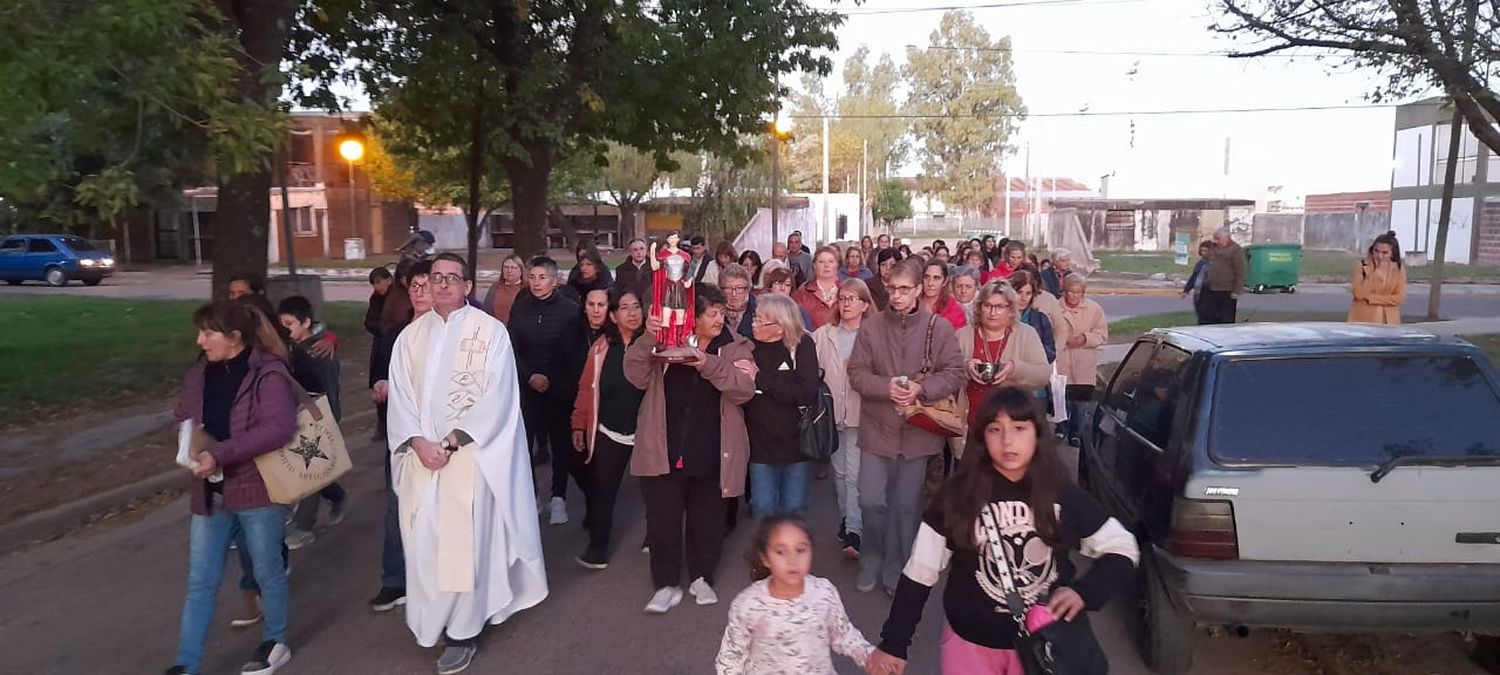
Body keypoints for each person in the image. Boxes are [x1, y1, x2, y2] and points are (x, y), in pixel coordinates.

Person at [867, 388, 1139, 675]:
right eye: (995, 429)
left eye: (1019, 428)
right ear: (982, 437)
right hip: (971, 645)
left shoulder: (1060, 493)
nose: (1008, 441)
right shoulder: (957, 496)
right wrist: (894, 643)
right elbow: (919, 572)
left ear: (1037, 433)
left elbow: (1122, 546)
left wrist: (1086, 592)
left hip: (1045, 647)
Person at [386, 253, 548, 674]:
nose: (441, 285)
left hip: (469, 460)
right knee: (424, 543)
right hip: (423, 460)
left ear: (468, 286)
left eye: (451, 278)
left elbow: (500, 396)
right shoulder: (410, 336)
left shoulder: (490, 332)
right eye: (435, 278)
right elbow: (400, 398)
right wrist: (419, 443)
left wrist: (455, 439)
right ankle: (431, 620)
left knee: (464, 548)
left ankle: (462, 630)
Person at [167, 300, 297, 675]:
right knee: (200, 580)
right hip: (209, 494)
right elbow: (181, 419)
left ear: (235, 338)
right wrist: (188, 443)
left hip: (257, 489)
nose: (200, 340)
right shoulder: (199, 375)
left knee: (266, 570)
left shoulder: (268, 375)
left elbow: (277, 429)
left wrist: (219, 454)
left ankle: (275, 641)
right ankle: (185, 663)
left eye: (208, 333)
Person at [625, 284, 755, 614]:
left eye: (721, 313)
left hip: (712, 451)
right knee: (662, 522)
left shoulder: (736, 346)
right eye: (712, 314)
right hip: (663, 449)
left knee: (707, 521)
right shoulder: (668, 345)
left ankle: (701, 576)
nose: (719, 319)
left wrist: (705, 363)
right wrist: (648, 338)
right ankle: (665, 583)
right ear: (692, 318)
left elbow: (744, 390)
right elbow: (634, 375)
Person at [847, 258, 966, 595]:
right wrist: (886, 387)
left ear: (918, 290)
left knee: (905, 507)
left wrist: (921, 389)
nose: (896, 295)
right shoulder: (871, 327)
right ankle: (871, 558)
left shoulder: (938, 328)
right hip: (877, 430)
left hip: (918, 432)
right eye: (892, 288)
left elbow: (955, 372)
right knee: (870, 501)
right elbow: (856, 374)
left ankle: (896, 567)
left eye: (904, 289)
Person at [715, 516, 875, 675]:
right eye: (781, 552)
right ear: (765, 558)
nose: (793, 560)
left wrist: (871, 657)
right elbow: (731, 656)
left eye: (800, 550)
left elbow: (844, 634)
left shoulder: (823, 592)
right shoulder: (748, 604)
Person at [367, 261, 433, 615]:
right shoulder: (395, 335)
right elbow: (378, 374)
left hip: (438, 435)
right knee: (397, 504)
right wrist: (380, 385)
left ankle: (436, 578)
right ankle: (395, 579)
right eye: (415, 285)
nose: (421, 291)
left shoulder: (448, 333)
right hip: (402, 434)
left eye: (428, 283)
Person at [570, 288, 648, 569]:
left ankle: (655, 537)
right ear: (613, 316)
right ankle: (597, 549)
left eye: (636, 306)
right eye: (624, 308)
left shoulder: (653, 345)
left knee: (655, 491)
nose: (632, 312)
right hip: (608, 431)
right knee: (603, 491)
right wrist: (579, 425)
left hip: (646, 432)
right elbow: (586, 386)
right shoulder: (602, 347)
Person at [511, 256, 588, 525]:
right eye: (532, 277)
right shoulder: (520, 309)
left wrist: (550, 378)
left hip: (559, 388)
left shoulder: (569, 310)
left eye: (542, 277)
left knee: (560, 444)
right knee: (524, 443)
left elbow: (575, 355)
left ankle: (559, 497)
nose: (536, 283)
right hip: (527, 387)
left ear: (555, 281)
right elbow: (512, 347)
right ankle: (532, 495)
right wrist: (530, 376)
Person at [275, 296, 347, 550]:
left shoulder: (320, 350)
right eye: (281, 323)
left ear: (306, 322)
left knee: (309, 472)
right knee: (313, 470)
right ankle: (337, 496)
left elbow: (330, 388)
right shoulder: (293, 348)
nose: (285, 329)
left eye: (289, 323)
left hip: (317, 418)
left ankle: (304, 528)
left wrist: (329, 420)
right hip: (299, 416)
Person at [739, 294, 820, 518]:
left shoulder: (802, 346)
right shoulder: (748, 347)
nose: (753, 324)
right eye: (754, 318)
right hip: (760, 446)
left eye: (760, 320)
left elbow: (805, 392)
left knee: (794, 511)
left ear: (780, 327)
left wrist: (760, 378)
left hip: (796, 445)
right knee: (763, 509)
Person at [813, 278, 874, 558]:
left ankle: (854, 531)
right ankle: (846, 518)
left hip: (862, 415)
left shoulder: (873, 335)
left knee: (854, 474)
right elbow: (811, 368)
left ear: (864, 304)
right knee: (839, 474)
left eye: (853, 299)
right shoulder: (824, 334)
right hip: (832, 415)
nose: (847, 304)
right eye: (843, 298)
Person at [955, 282, 1051, 435]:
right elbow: (946, 372)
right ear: (979, 307)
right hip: (970, 427)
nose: (993, 312)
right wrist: (965, 367)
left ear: (1011, 310)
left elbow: (1044, 374)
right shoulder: (962, 335)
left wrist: (1014, 369)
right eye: (987, 305)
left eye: (1000, 307)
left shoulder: (1026, 334)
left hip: (1011, 430)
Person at [1054, 276, 1108, 442]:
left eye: (1078, 292)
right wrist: (1063, 340)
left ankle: (1076, 433)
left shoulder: (1094, 309)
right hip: (1062, 358)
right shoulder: (1054, 307)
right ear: (1065, 290)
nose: (1074, 296)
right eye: (1071, 291)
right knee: (1061, 398)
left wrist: (1085, 339)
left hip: (1085, 361)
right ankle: (1061, 428)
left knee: (1081, 401)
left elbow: (1102, 335)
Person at [1349, 231, 1407, 325]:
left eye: (1385, 253)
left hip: (1389, 321)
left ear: (1392, 254)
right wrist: (1374, 275)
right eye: (1376, 251)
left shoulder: (1398, 269)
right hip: (1363, 319)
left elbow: (1399, 298)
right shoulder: (1362, 266)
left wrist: (1371, 298)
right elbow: (1358, 294)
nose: (1379, 256)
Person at [651, 232, 697, 349]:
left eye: (674, 238)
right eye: (670, 238)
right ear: (667, 240)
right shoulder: (664, 255)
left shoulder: (685, 256)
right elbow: (655, 267)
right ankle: (665, 340)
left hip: (680, 287)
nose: (673, 240)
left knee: (680, 315)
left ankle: (679, 339)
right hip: (669, 286)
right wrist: (652, 252)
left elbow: (690, 270)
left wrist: (689, 280)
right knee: (666, 314)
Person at [1009, 270, 1056, 363]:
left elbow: (1051, 354)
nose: (1023, 298)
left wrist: (1033, 345)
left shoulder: (1041, 319)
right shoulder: (998, 317)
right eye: (1019, 292)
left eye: (1028, 293)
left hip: (1032, 371)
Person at [1202, 228, 1246, 324]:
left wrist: (1237, 290)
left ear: (1227, 238)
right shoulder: (1212, 247)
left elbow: (1240, 271)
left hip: (1227, 290)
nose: (1215, 241)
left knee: (1226, 318)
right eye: (1214, 238)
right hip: (1212, 288)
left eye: (1218, 239)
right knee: (1211, 317)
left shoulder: (1235, 250)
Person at [792, 246, 842, 329]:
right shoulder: (803, 292)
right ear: (814, 265)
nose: (826, 265)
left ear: (837, 265)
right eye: (821, 262)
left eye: (831, 261)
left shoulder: (848, 289)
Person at [918, 260, 967, 330]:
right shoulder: (912, 304)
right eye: (926, 277)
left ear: (945, 281)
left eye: (936, 278)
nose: (930, 283)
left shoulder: (955, 310)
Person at [482, 254, 526, 324]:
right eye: (506, 267)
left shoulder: (526, 289)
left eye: (513, 267)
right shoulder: (495, 287)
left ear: (521, 270)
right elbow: (486, 311)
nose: (509, 270)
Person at [720, 263, 759, 339]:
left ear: (748, 289)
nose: (734, 294)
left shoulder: (758, 310)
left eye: (739, 288)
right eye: (728, 288)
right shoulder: (714, 310)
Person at [1182, 241, 1213, 325]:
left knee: (1207, 315)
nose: (1203, 253)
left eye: (1205, 251)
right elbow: (1193, 277)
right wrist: (1186, 290)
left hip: (1208, 294)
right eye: (1201, 251)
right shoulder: (1200, 263)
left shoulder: (1215, 264)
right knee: (1199, 313)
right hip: (1198, 293)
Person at [366, 267, 394, 337]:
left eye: (378, 282)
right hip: (380, 335)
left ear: (389, 280)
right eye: (373, 284)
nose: (375, 286)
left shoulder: (397, 296)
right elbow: (369, 322)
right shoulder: (375, 298)